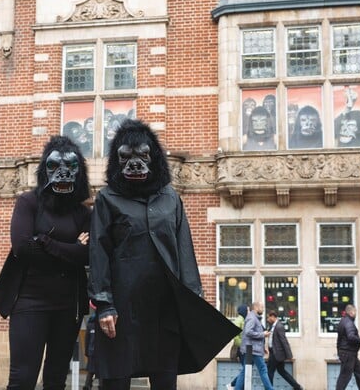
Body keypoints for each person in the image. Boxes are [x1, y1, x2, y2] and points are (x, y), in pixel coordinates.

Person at [88, 119, 239, 390]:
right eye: (126, 158)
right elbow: (99, 253)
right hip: (123, 308)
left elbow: (184, 249)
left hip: (164, 308)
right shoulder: (107, 199)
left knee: (165, 381)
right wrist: (104, 304)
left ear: (153, 157)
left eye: (142, 156)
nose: (134, 163)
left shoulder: (170, 198)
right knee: (116, 381)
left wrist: (193, 298)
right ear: (117, 161)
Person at [0, 136, 92, 390]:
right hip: (29, 301)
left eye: (70, 166)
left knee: (56, 379)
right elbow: (22, 249)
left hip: (69, 306)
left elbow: (89, 255)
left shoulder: (84, 212)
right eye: (55, 166)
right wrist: (73, 249)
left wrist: (47, 242)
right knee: (23, 378)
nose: (63, 173)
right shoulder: (28, 202)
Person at [233, 301, 274, 390]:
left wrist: (263, 347)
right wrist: (263, 334)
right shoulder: (252, 318)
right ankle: (270, 389)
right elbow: (248, 332)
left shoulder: (254, 318)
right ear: (256, 308)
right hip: (253, 350)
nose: (263, 309)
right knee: (263, 369)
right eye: (262, 307)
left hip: (252, 349)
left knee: (244, 371)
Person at [335, 304, 360, 390]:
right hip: (348, 354)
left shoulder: (343, 321)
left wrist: (339, 352)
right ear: (351, 312)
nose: (356, 314)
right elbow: (351, 337)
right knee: (344, 377)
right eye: (355, 312)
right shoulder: (348, 323)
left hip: (349, 354)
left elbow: (339, 339)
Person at [266, 311, 303, 390]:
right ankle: (297, 387)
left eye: (268, 317)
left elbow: (284, 341)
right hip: (274, 353)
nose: (267, 319)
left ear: (273, 316)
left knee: (269, 372)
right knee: (282, 371)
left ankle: (269, 388)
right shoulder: (272, 326)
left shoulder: (279, 326)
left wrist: (289, 355)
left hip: (276, 354)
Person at [229, 304, 248, 388]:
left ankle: (235, 385)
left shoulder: (243, 320)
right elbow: (235, 335)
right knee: (246, 369)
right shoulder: (238, 320)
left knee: (246, 369)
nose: (247, 312)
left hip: (244, 349)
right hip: (241, 349)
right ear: (243, 311)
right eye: (246, 310)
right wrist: (242, 344)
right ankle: (233, 384)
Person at [83, 302, 99, 390]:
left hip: (98, 352)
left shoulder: (92, 323)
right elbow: (87, 340)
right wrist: (87, 352)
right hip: (92, 352)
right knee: (91, 372)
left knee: (98, 372)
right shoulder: (91, 323)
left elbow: (87, 340)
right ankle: (87, 387)